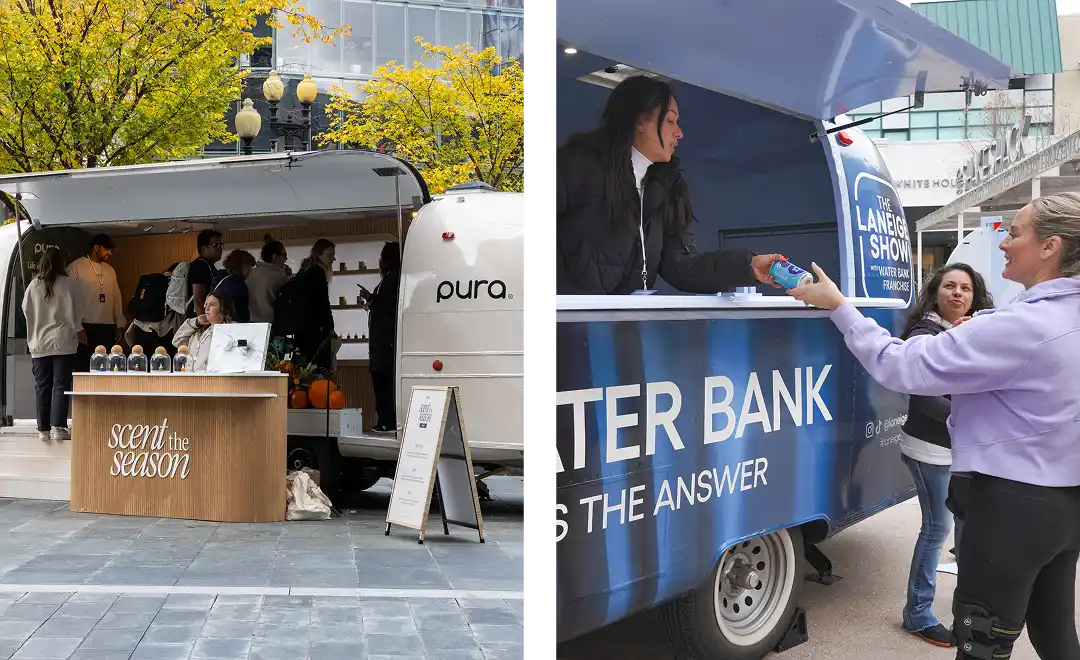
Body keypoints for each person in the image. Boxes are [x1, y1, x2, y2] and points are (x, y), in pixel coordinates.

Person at [787, 192, 1080, 660]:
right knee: (1057, 633)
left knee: (980, 643)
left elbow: (897, 365)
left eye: (1016, 232)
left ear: (1051, 247)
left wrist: (839, 305)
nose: (1003, 242)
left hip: (1012, 507)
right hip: (1066, 508)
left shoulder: (1025, 325)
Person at [552, 75, 786, 294]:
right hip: (568, 323)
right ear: (640, 122)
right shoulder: (575, 166)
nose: (680, 133)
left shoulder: (667, 186)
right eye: (670, 120)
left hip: (625, 325)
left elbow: (682, 265)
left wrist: (748, 266)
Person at [895, 264, 994, 648]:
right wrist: (970, 418)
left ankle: (967, 608)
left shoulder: (972, 329)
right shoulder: (926, 334)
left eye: (965, 288)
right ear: (935, 293)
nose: (957, 293)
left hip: (963, 448)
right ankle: (917, 614)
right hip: (930, 449)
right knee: (937, 529)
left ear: (975, 295)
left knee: (967, 527)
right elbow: (922, 396)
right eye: (949, 286)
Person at [23, 248, 85, 443]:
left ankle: (43, 430)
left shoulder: (33, 285)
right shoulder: (70, 285)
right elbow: (79, 311)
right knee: (61, 384)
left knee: (42, 386)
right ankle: (59, 426)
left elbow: (26, 310)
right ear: (61, 263)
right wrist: (77, 328)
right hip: (63, 342)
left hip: (39, 342)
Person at [359, 242, 401, 432]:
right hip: (385, 344)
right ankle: (386, 419)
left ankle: (387, 421)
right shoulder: (393, 280)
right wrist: (372, 299)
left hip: (384, 344)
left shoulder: (391, 281)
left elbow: (386, 311)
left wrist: (373, 301)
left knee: (383, 383)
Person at [67, 234, 124, 365]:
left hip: (108, 327)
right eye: (107, 248)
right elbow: (69, 300)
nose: (110, 252)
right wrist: (77, 327)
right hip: (85, 327)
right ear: (96, 247)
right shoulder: (76, 267)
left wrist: (120, 324)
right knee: (85, 367)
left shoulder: (110, 270)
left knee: (107, 368)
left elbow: (117, 298)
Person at [291, 239, 337, 370]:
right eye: (330, 255)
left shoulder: (304, 270)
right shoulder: (317, 273)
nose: (333, 259)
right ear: (319, 254)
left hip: (301, 329)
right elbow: (323, 302)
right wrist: (329, 327)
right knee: (318, 368)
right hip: (314, 330)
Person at [172, 292, 236, 372]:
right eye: (206, 304)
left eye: (212, 305)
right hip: (192, 379)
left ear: (223, 309)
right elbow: (177, 341)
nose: (207, 308)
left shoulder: (232, 330)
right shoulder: (198, 332)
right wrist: (196, 322)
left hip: (212, 380)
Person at [247, 236, 290, 324]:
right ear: (275, 256)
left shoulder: (251, 273)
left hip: (249, 322)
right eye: (284, 255)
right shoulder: (279, 277)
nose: (286, 259)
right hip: (270, 324)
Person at [186, 229, 224, 319]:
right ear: (203, 248)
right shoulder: (199, 266)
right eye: (216, 245)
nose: (220, 249)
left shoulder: (209, 266)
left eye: (221, 245)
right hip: (198, 318)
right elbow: (198, 298)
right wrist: (204, 324)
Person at [213, 249, 255, 322]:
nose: (250, 271)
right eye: (249, 267)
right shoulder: (237, 283)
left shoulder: (219, 278)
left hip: (218, 322)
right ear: (240, 265)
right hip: (232, 325)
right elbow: (241, 310)